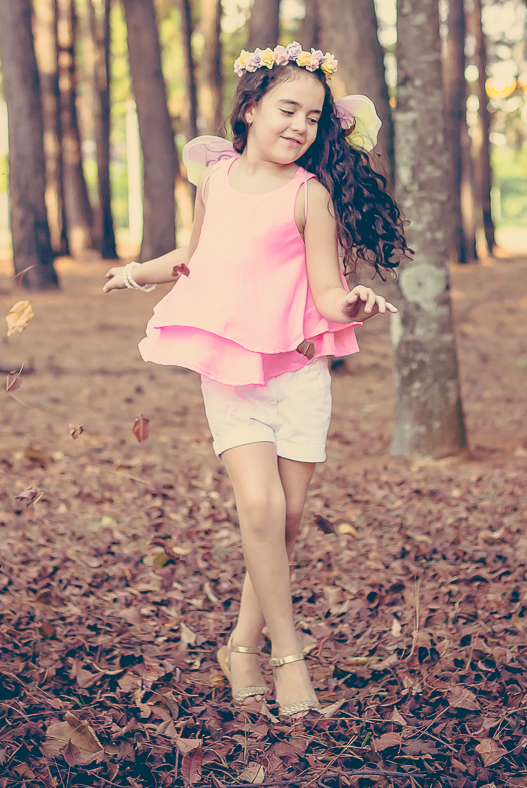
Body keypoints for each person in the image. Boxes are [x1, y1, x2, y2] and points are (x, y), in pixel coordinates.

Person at [104, 42, 411, 719]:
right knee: (262, 511)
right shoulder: (214, 179)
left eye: (314, 118)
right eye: (287, 109)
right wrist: (134, 272)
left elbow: (329, 292)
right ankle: (288, 657)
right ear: (250, 109)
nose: (300, 126)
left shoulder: (311, 195)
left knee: (288, 520)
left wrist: (354, 305)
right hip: (233, 374)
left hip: (300, 374)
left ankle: (242, 644)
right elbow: (196, 253)